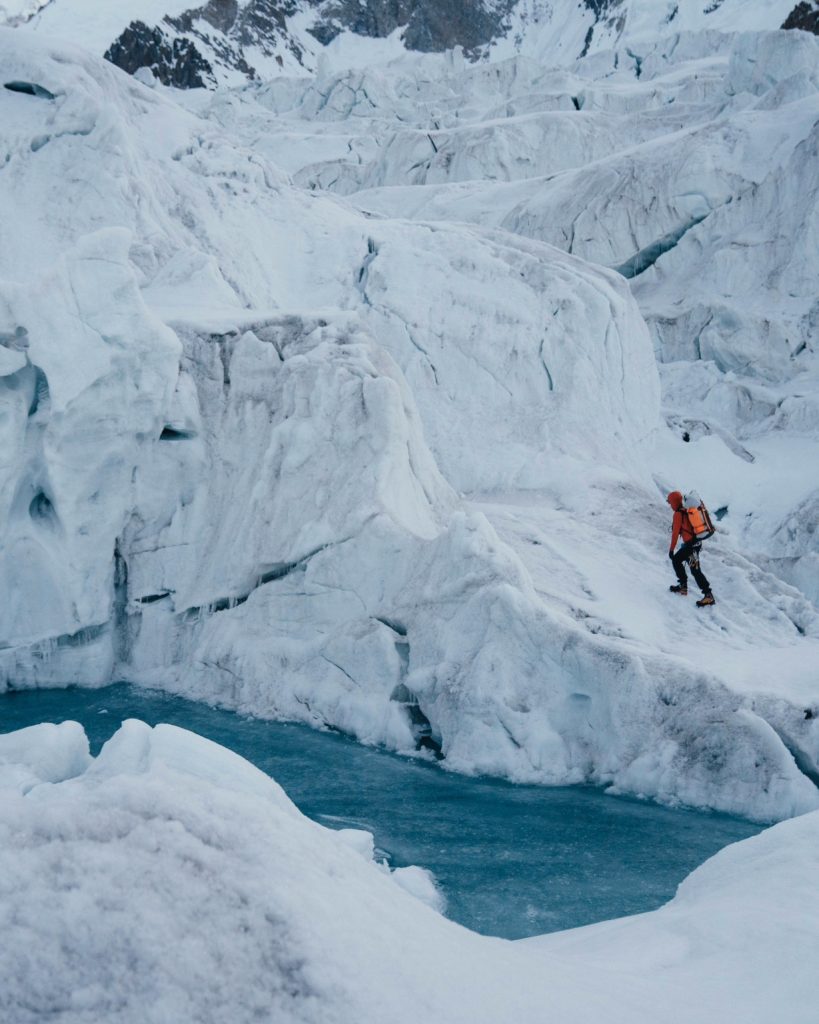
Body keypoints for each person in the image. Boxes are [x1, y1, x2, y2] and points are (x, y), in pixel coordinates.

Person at [666, 491, 715, 607]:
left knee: (690, 567)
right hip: (694, 545)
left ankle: (708, 595)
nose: (670, 505)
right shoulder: (686, 511)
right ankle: (684, 587)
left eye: (670, 502)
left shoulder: (678, 514)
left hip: (691, 546)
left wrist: (671, 550)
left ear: (674, 502)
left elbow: (675, 534)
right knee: (684, 563)